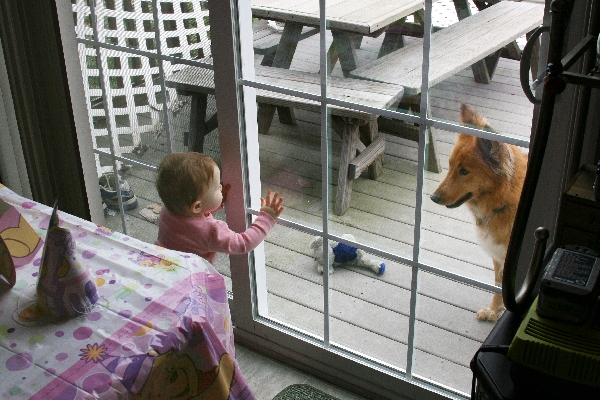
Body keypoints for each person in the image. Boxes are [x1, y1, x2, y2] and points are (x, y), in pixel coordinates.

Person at [155, 152, 284, 264]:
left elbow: (193, 218)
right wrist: (266, 218)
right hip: (191, 276)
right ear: (197, 206)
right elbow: (243, 243)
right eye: (217, 187)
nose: (221, 187)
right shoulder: (211, 231)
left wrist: (216, 201)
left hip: (162, 262)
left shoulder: (168, 211)